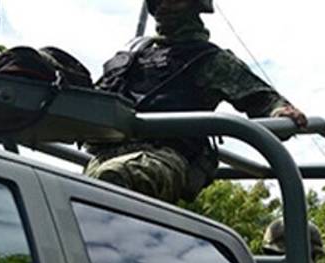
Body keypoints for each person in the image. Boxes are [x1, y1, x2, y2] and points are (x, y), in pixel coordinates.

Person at [84, 0, 307, 203]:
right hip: (104, 155)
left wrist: (280, 112)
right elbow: (92, 100)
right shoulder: (131, 57)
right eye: (158, 1)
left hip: (163, 157)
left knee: (113, 178)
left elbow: (262, 98)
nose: (163, 7)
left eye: (173, 1)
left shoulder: (208, 59)